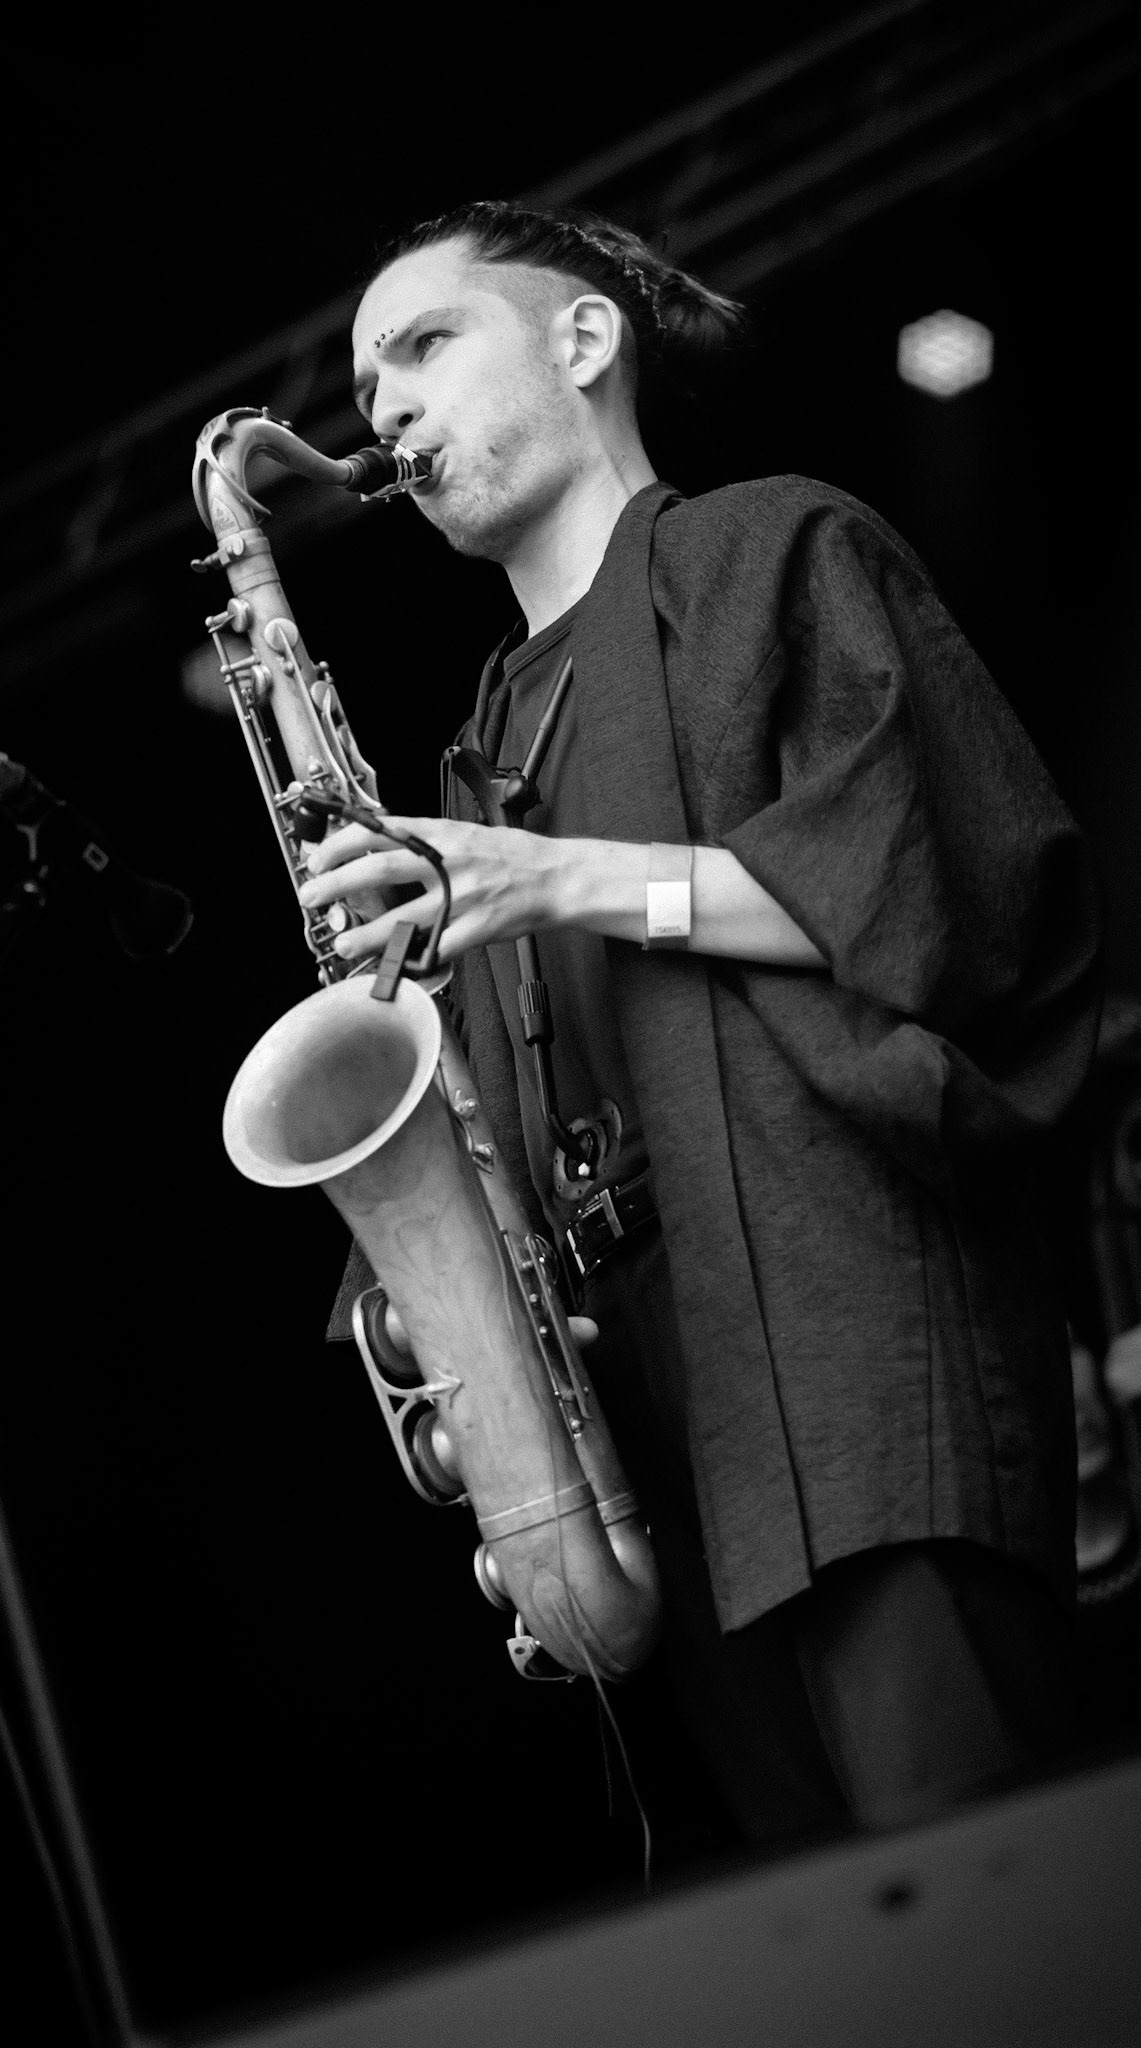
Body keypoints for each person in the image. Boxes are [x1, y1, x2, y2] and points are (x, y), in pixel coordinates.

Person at [304, 202, 1103, 1842]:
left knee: (984, 1910)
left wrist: (554, 880)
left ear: (585, 343)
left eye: (426, 344)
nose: (379, 406)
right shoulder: (476, 750)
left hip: (845, 1362)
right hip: (657, 1449)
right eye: (363, 377)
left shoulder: (776, 548)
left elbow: (914, 903)